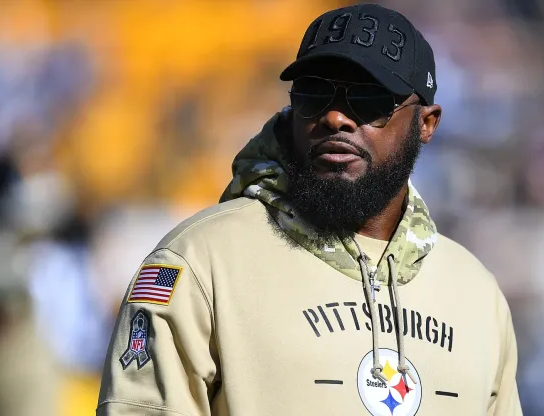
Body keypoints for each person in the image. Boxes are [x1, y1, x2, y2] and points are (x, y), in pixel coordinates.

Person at [97, 3, 522, 416]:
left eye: (368, 97)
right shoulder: (201, 262)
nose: (335, 116)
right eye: (314, 92)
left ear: (427, 124)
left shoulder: (476, 296)